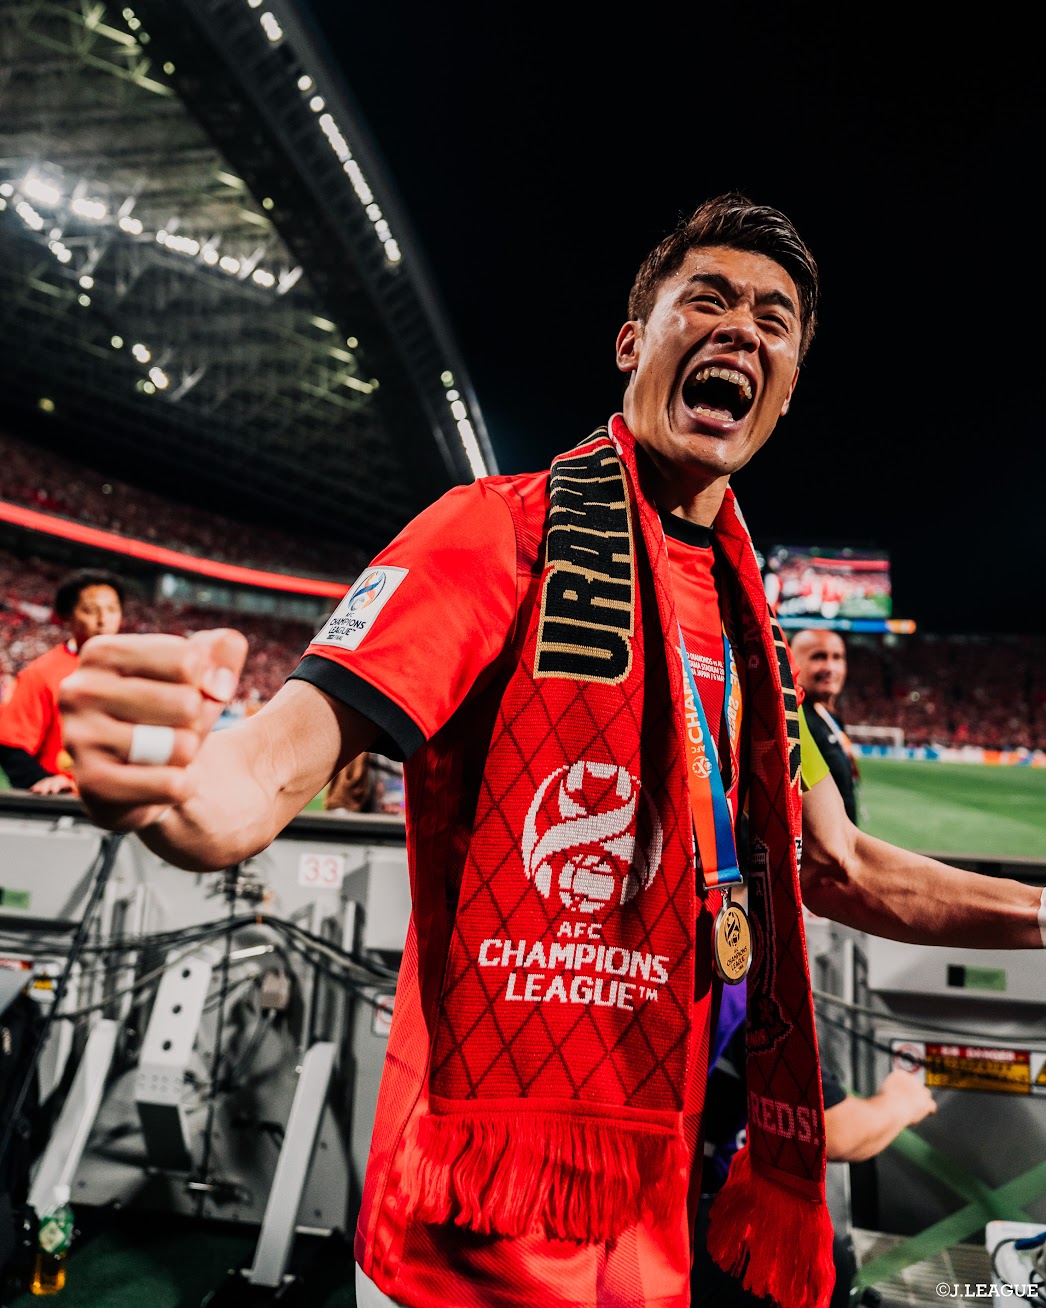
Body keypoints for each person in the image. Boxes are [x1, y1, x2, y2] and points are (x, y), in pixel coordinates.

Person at [58, 195, 1045, 1308]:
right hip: (480, 1231)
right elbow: (271, 767)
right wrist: (172, 786)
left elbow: (839, 864)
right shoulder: (494, 532)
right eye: (706, 300)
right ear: (631, 343)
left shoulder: (753, 636)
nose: (740, 328)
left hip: (657, 1200)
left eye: (772, 320)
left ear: (786, 388)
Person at [693, 978, 936, 1308]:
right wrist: (900, 1101)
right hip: (672, 1219)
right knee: (809, 1265)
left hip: (641, 1197)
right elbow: (832, 1133)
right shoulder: (743, 984)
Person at [0, 569, 123, 795]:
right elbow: (11, 746)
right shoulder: (41, 672)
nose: (103, 620)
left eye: (112, 609)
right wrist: (44, 781)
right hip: (69, 802)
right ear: (68, 615)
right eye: (90, 610)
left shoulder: (135, 670)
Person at [792, 628, 860, 821]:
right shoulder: (796, 718)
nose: (830, 668)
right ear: (793, 661)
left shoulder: (829, 717)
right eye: (819, 657)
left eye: (837, 657)